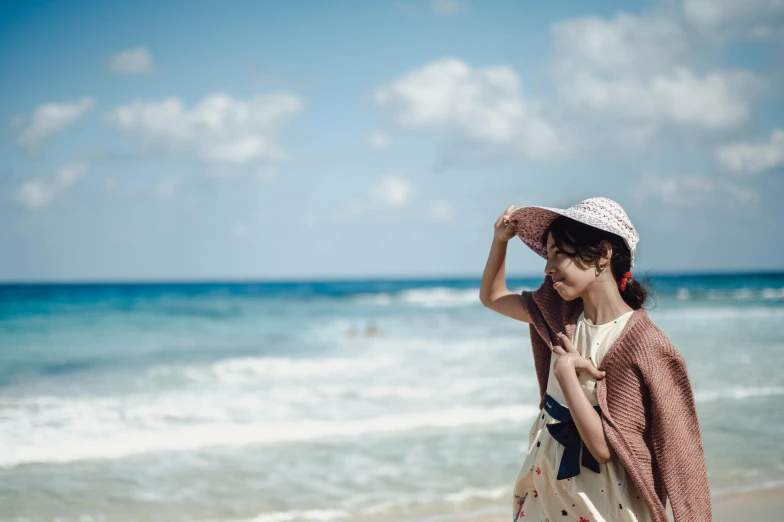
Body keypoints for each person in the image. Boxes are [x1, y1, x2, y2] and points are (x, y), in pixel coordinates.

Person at [479, 197, 711, 522]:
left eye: (559, 253)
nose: (547, 267)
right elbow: (492, 297)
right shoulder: (559, 315)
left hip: (600, 501)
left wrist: (565, 374)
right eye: (547, 255)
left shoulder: (642, 344)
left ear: (603, 254)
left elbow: (606, 449)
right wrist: (499, 242)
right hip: (546, 482)